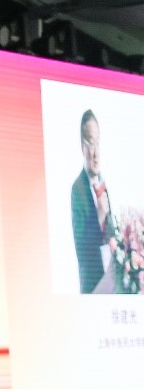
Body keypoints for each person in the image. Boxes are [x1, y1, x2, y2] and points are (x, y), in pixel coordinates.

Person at [70, 109, 114, 294]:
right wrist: (99, 216)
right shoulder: (77, 190)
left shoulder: (103, 184)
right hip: (92, 290)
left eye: (97, 142)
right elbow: (81, 251)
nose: (95, 153)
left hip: (111, 285)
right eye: (90, 143)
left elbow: (111, 235)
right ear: (82, 147)